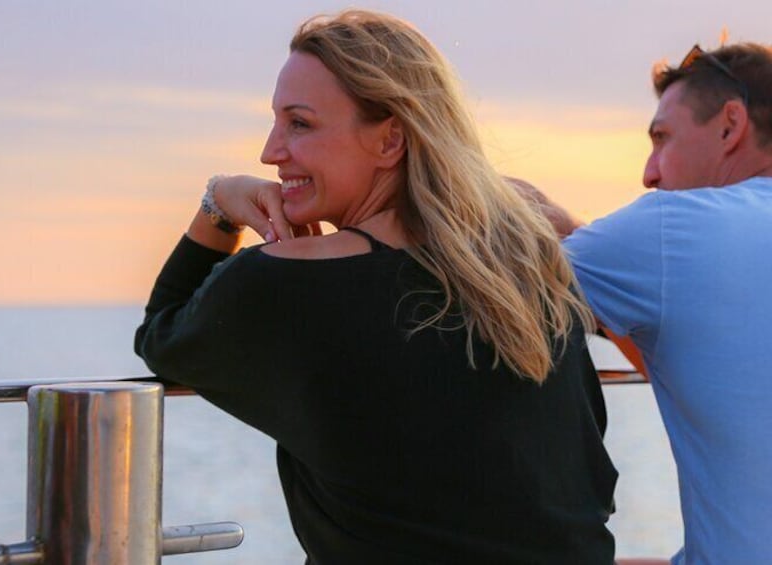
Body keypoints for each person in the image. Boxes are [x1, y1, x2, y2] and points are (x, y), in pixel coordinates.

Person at [135, 10, 617, 564]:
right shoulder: (526, 264)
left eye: (299, 123)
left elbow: (161, 335)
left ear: (390, 140)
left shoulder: (285, 283)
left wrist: (219, 202)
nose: (270, 152)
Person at [553, 42, 772, 564]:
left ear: (729, 125)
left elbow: (482, 294)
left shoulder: (671, 229)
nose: (649, 173)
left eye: (661, 138)